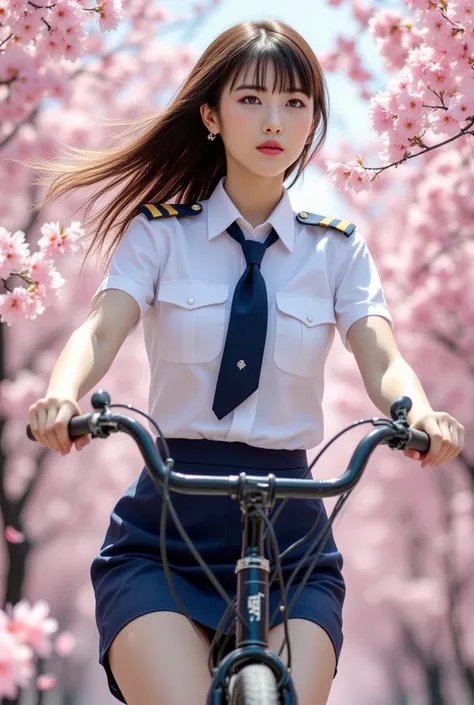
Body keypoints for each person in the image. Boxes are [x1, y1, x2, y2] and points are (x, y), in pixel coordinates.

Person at [27, 18, 464, 705]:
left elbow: (383, 356)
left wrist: (420, 412)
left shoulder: (337, 249)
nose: (274, 120)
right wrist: (61, 392)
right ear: (210, 114)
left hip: (293, 532)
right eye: (252, 98)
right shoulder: (160, 235)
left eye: (296, 104)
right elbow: (100, 329)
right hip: (168, 527)